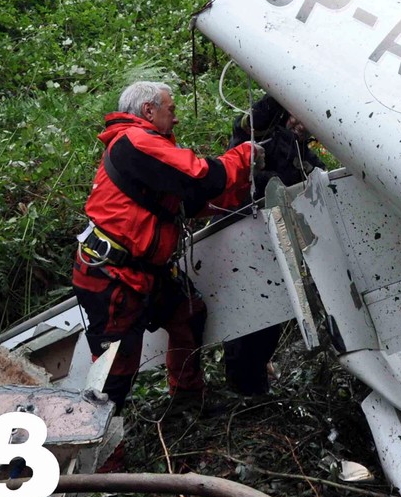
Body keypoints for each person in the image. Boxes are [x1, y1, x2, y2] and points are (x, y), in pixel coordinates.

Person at [72, 80, 261, 412]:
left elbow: (188, 201)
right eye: (170, 109)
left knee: (188, 314)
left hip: (142, 271)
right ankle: (99, 438)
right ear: (149, 110)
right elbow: (200, 177)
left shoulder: (142, 148)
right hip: (113, 277)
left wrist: (241, 191)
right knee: (115, 372)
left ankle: (187, 399)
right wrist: (245, 156)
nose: (175, 118)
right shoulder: (136, 141)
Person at [222, 94, 323, 395]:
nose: (301, 125)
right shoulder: (260, 132)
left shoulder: (301, 153)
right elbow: (253, 122)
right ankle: (244, 389)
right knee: (247, 322)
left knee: (267, 321)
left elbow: (319, 181)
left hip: (270, 247)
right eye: (298, 116)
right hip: (240, 237)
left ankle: (254, 384)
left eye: (308, 122)